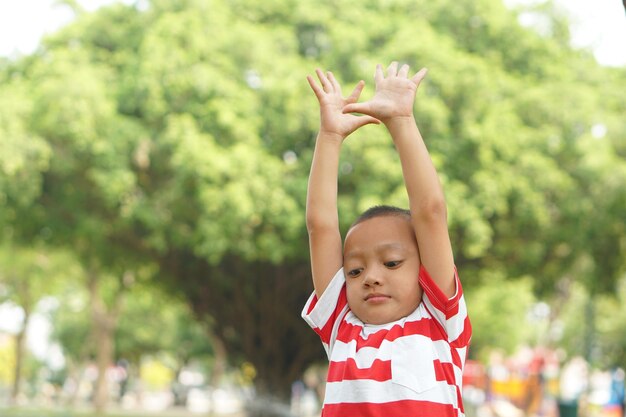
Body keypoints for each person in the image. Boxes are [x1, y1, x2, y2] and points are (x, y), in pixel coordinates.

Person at [301, 62, 472, 416]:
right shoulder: (341, 325)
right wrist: (330, 137)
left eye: (392, 262)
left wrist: (401, 121)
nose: (372, 277)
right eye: (354, 271)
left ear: (423, 267)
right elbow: (320, 226)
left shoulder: (439, 321)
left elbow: (430, 211)